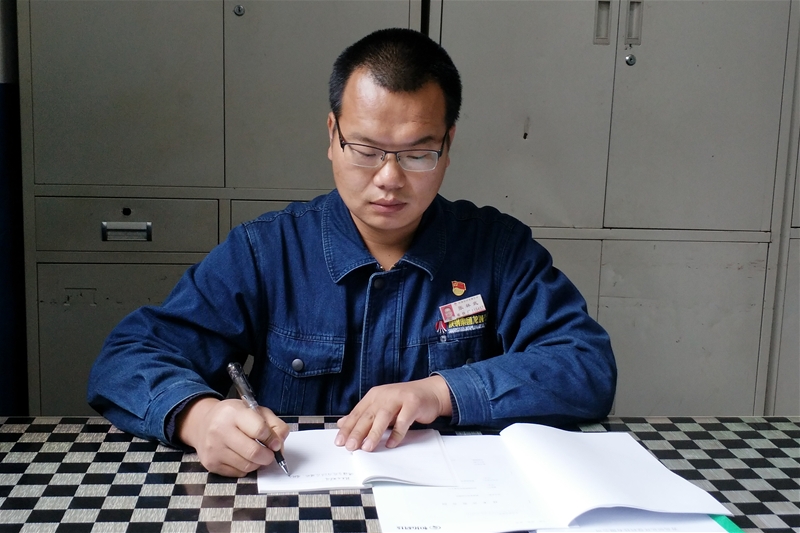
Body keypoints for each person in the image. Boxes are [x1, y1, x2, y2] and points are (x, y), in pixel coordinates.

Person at [87, 28, 616, 477]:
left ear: (448, 146)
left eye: (418, 154)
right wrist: (198, 418)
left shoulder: (497, 249)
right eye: (365, 150)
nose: (389, 179)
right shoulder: (268, 251)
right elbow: (127, 357)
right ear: (332, 134)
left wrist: (440, 392)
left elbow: (584, 364)